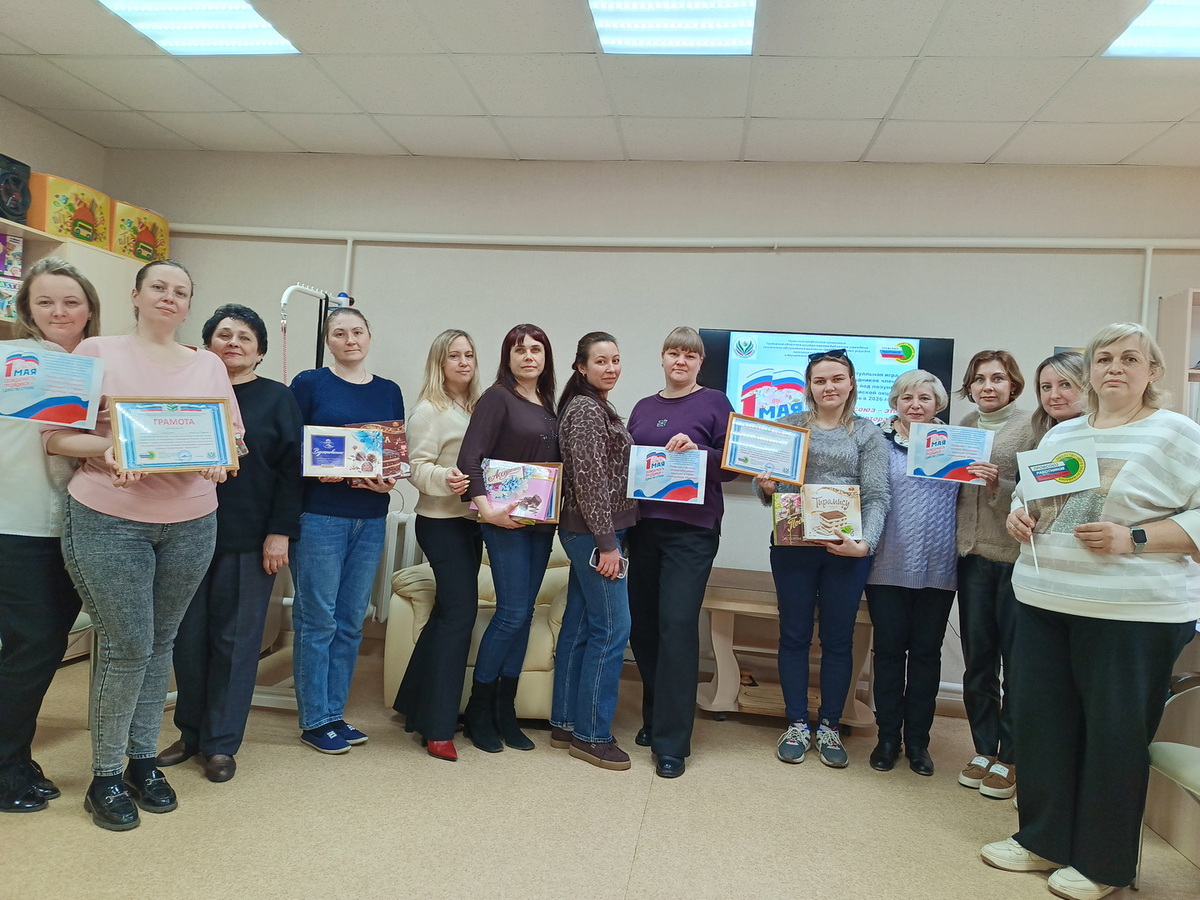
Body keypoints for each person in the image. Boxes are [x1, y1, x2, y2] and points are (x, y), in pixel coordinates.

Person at [982, 323, 1200, 900]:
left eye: (1130, 358)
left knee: (1114, 736)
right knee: (1042, 726)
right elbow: (1034, 500)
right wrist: (1019, 516)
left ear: (1152, 371)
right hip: (1043, 602)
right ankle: (1043, 840)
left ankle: (1105, 864)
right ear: (1090, 372)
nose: (1115, 368)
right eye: (1104, 359)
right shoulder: (1064, 433)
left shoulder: (1177, 433)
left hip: (1134, 615)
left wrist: (1136, 538)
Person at [44, 259, 241, 831]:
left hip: (192, 521)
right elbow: (56, 437)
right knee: (127, 644)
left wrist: (223, 459)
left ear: (189, 304)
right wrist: (108, 449)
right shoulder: (95, 352)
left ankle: (142, 760)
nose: (169, 297)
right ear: (135, 295)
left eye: (181, 291)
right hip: (110, 517)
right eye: (159, 286)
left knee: (160, 643)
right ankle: (105, 775)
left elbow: (232, 438)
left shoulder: (208, 364)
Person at [157, 304, 303, 782]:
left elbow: (292, 471)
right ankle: (190, 734)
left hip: (248, 538)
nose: (233, 343)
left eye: (244, 337)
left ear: (259, 351)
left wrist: (279, 532)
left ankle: (221, 744)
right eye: (224, 335)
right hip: (182, 532)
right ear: (207, 345)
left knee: (235, 644)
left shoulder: (277, 398)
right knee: (188, 640)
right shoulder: (187, 391)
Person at [756, 349, 890, 769]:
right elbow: (772, 489)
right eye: (819, 380)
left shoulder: (867, 433)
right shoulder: (790, 426)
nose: (828, 387)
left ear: (851, 383)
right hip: (793, 547)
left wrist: (865, 544)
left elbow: (877, 496)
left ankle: (830, 724)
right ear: (809, 386)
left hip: (845, 552)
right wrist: (766, 487)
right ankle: (797, 723)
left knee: (837, 640)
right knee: (793, 636)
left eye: (836, 379)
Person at [0, 257, 100, 813]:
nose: (59, 311)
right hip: (18, 523)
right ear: (27, 311)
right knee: (32, 647)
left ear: (88, 309)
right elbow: (50, 438)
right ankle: (4, 767)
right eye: (45, 302)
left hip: (69, 521)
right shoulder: (16, 359)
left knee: (40, 647)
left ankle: (15, 756)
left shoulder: (90, 365)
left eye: (70, 301)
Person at [289, 307, 404, 754]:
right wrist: (316, 466)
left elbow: (392, 453)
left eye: (357, 332)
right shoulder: (310, 383)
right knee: (318, 619)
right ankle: (315, 719)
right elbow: (290, 446)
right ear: (328, 341)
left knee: (351, 621)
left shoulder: (389, 390)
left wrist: (389, 479)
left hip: (371, 517)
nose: (350, 339)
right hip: (320, 516)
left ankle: (335, 713)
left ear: (369, 337)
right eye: (339, 333)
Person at [626, 326, 735, 779]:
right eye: (673, 353)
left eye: (689, 355)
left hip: (691, 533)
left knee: (676, 625)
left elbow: (731, 465)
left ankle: (672, 743)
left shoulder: (715, 403)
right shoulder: (642, 407)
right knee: (644, 627)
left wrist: (698, 452)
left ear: (699, 362)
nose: (680, 361)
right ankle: (655, 717)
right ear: (663, 358)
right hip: (643, 529)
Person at [457, 324, 559, 753]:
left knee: (525, 613)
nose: (528, 356)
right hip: (503, 523)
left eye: (536, 350)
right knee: (512, 612)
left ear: (546, 357)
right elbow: (469, 459)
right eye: (520, 350)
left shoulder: (548, 404)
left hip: (541, 524)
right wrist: (486, 510)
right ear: (508, 357)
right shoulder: (497, 398)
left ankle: (505, 710)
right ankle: (478, 711)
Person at [549, 332, 638, 770]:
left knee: (581, 626)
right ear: (581, 367)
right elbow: (589, 481)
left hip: (591, 532)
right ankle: (591, 735)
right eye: (601, 361)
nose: (611, 368)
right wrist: (607, 544)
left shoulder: (596, 405)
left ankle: (566, 723)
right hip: (594, 535)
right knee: (613, 629)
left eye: (616, 360)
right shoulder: (585, 409)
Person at [392, 329, 482, 762]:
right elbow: (415, 468)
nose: (463, 362)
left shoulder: (477, 407)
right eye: (454, 356)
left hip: (472, 523)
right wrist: (445, 478)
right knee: (460, 615)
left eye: (469, 355)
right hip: (441, 523)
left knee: (447, 612)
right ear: (439, 363)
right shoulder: (428, 411)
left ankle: (415, 703)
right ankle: (439, 725)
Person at [864, 370, 958, 776]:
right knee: (887, 654)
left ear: (938, 404)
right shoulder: (876, 442)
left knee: (925, 656)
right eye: (907, 397)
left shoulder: (957, 445)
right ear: (895, 403)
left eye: (924, 398)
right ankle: (887, 738)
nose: (915, 405)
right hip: (886, 564)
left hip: (939, 565)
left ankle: (918, 742)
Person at [954, 349, 1034, 801]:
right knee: (978, 660)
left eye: (997, 378)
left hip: (1013, 558)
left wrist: (996, 485)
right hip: (971, 557)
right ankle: (984, 749)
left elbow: (1041, 493)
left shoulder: (1032, 427)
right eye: (980, 379)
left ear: (1013, 384)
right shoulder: (963, 426)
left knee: (1016, 664)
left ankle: (1012, 756)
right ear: (970, 386)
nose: (988, 386)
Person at [1031, 350, 1087, 442]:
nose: (1054, 395)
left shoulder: (1102, 435)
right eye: (1046, 387)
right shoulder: (1041, 436)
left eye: (1066, 385)